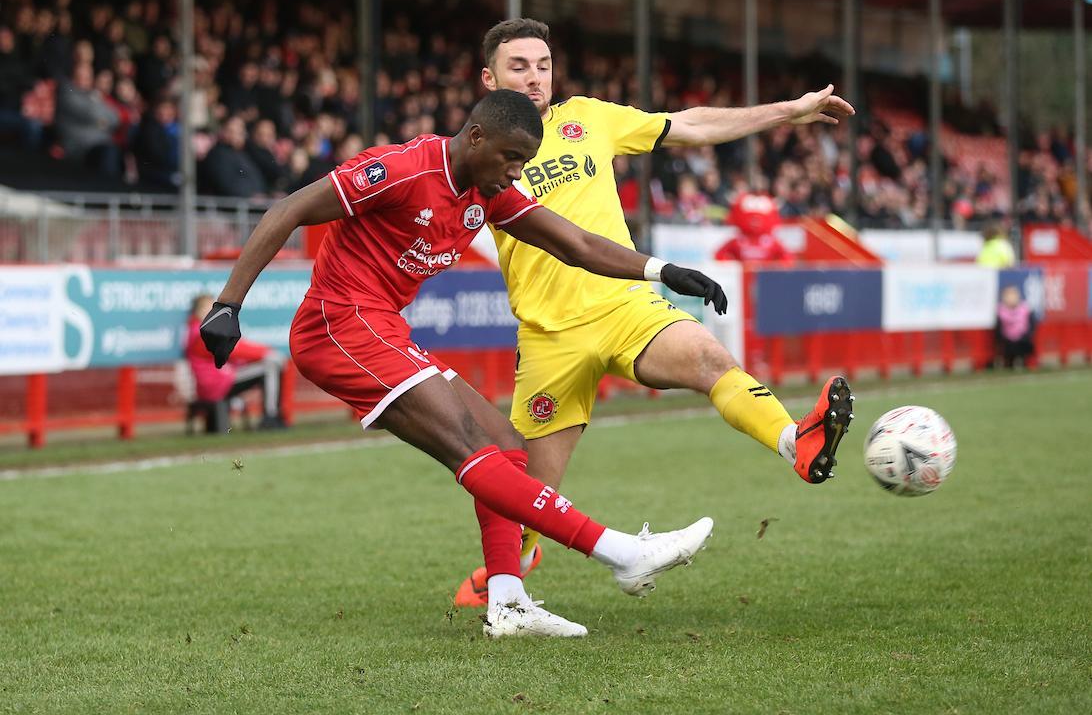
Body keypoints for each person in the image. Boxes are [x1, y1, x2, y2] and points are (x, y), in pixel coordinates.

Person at [198, 89, 726, 638]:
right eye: (511, 158)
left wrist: (661, 271)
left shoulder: (487, 192)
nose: (516, 173)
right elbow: (289, 209)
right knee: (472, 448)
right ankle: (620, 552)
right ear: (475, 137)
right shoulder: (402, 170)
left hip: (381, 326)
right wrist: (228, 304)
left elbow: (575, 244)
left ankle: (508, 601)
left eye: (524, 162)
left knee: (506, 445)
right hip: (337, 324)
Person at [453, 18, 856, 607]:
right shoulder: (475, 155)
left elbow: (688, 125)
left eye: (542, 65)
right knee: (526, 497)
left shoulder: (587, 118)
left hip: (626, 306)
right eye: (519, 66)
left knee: (706, 356)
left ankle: (798, 441)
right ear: (489, 77)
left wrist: (787, 111)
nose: (534, 77)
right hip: (548, 339)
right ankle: (511, 566)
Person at [185, 294, 285, 429]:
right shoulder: (201, 332)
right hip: (218, 383)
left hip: (217, 381)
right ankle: (270, 417)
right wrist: (266, 352)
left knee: (269, 364)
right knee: (270, 366)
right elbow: (235, 350)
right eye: (209, 307)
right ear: (199, 311)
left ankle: (272, 416)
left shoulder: (196, 330)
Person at [994, 285, 1036, 369]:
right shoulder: (1000, 310)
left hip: (1023, 338)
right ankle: (1010, 363)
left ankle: (1022, 361)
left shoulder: (1025, 308)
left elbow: (1031, 325)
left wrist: (1026, 335)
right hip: (1007, 339)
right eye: (1008, 296)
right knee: (1008, 347)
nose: (1011, 298)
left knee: (1024, 344)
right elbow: (998, 329)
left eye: (1013, 295)